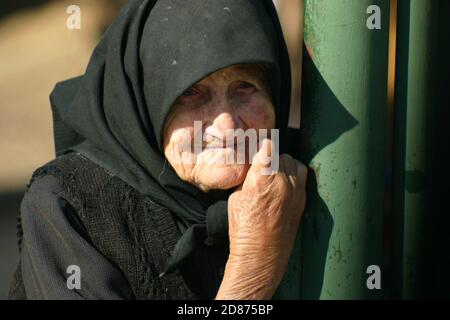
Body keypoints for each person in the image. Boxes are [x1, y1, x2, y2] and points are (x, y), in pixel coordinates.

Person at [9, 0, 307, 300]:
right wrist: (254, 270)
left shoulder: (312, 178)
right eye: (191, 92)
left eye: (245, 86)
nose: (227, 126)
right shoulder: (69, 207)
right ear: (144, 100)